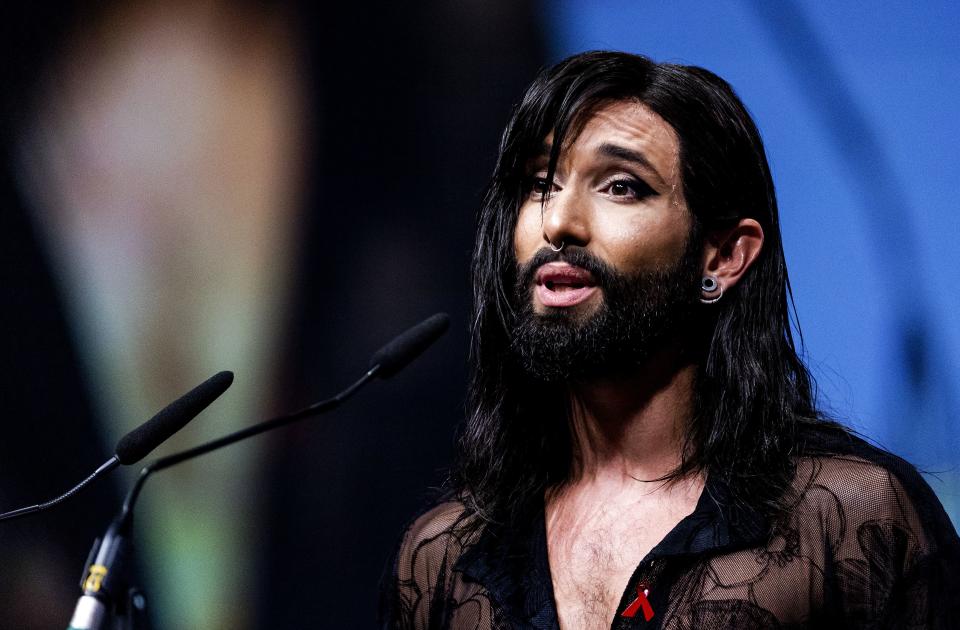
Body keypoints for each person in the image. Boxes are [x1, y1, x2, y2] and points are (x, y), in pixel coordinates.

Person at [379, 51, 960, 629]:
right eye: (540, 183)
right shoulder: (444, 560)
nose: (558, 222)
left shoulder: (851, 522)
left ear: (725, 255)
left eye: (622, 187)